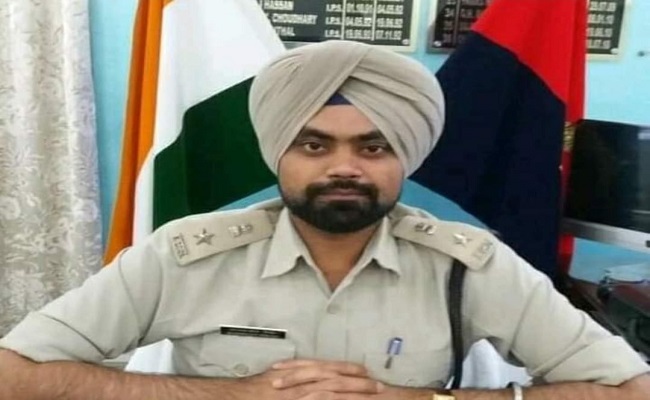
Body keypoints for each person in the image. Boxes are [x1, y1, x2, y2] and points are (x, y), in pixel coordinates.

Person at [0, 40, 648, 400]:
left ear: (406, 157)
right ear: (277, 153)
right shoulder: (184, 255)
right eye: (314, 145)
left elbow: (628, 388)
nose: (345, 167)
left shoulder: (469, 262)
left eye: (374, 147)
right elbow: (15, 373)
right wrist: (235, 395)